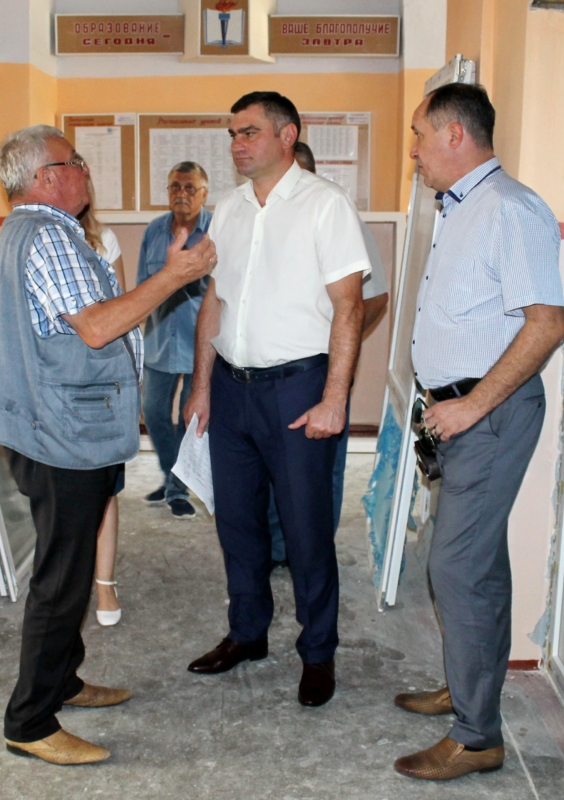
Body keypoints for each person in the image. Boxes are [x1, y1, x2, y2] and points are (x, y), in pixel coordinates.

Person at [0, 125, 215, 765]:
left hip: (54, 427)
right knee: (61, 580)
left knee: (72, 563)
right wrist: (173, 276)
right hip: (60, 435)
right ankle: (30, 721)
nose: (85, 170)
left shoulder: (32, 231)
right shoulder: (47, 236)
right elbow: (97, 327)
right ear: (46, 177)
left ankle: (62, 680)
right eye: (75, 162)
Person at [390, 84, 564, 782]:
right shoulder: (460, 207)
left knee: (457, 567)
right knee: (476, 565)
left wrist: (470, 405)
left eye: (419, 134)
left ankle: (476, 736)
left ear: (455, 135)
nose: (413, 149)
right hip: (458, 414)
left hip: (489, 415)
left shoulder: (508, 209)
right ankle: (470, 690)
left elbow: (546, 325)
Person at [183, 92, 369, 708]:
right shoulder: (229, 209)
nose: (237, 144)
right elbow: (215, 301)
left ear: (288, 136)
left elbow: (349, 307)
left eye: (250, 132)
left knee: (305, 528)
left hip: (297, 388)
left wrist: (335, 398)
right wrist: (202, 386)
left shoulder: (325, 204)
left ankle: (317, 652)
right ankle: (247, 633)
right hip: (232, 389)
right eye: (233, 134)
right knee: (237, 523)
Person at [268, 142, 390, 564]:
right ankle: (277, 547)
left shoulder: (340, 219)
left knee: (321, 469)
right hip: (269, 373)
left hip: (322, 370)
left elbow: (374, 298)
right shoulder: (261, 221)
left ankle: (314, 549)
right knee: (273, 465)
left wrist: (340, 348)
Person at [136, 161, 213, 519]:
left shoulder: (215, 231)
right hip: (159, 341)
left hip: (199, 343)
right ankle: (172, 476)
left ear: (204, 193)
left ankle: (177, 489)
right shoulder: (154, 231)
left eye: (189, 187)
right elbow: (143, 286)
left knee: (189, 419)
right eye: (175, 187)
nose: (181, 194)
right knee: (152, 412)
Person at [75, 160, 127, 626]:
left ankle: (104, 585)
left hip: (100, 381)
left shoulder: (103, 240)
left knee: (105, 489)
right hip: (56, 384)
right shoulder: (37, 237)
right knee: (66, 494)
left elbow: (120, 310)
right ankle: (70, 579)